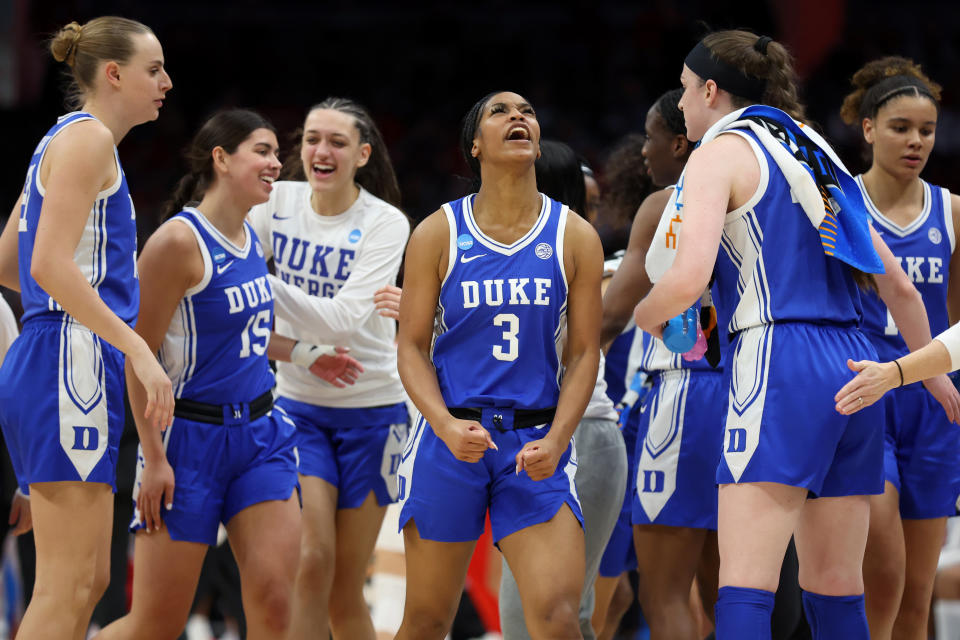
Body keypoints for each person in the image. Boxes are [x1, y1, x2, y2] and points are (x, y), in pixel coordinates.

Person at [632, 30, 956, 639]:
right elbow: (902, 289)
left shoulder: (720, 151)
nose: (680, 106)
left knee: (745, 588)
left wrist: (646, 316)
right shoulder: (817, 150)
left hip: (778, 359)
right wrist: (933, 376)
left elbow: (686, 279)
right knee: (837, 590)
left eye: (682, 90)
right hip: (858, 369)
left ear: (709, 88)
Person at [95, 109, 359, 640]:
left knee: (276, 604)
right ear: (220, 157)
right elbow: (136, 355)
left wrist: (306, 354)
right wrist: (152, 457)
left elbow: (245, 334)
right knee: (156, 625)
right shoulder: (176, 243)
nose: (275, 163)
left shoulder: (250, 238)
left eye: (275, 154)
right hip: (187, 443)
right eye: (262, 151)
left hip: (261, 437)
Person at [394, 91, 603, 640]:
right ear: (475, 146)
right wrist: (442, 423)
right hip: (451, 436)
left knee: (559, 619)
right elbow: (411, 346)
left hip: (535, 442)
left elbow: (583, 352)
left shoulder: (575, 235)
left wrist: (559, 439)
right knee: (425, 620)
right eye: (501, 111)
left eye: (528, 111)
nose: (519, 117)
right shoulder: (437, 232)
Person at [0, 17, 175, 639]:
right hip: (65, 359)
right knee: (68, 585)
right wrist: (132, 342)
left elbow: (8, 261)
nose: (167, 82)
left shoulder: (62, 141)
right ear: (114, 73)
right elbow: (44, 265)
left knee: (89, 582)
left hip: (57, 353)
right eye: (154, 69)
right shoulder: (89, 140)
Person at [246, 97, 411, 640]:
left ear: (363, 154)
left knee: (344, 588)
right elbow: (231, 304)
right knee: (310, 559)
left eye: (338, 142)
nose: (322, 150)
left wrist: (260, 283)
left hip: (374, 409)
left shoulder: (386, 222)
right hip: (298, 411)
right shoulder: (275, 203)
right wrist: (295, 350)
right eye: (312, 138)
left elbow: (341, 321)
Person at [838, 56, 960, 640]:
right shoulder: (841, 204)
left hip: (935, 403)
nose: (916, 141)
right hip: (863, 391)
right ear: (867, 129)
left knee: (918, 593)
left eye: (927, 130)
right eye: (900, 128)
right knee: (881, 573)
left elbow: (956, 322)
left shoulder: (953, 210)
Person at [599, 88, 726, 640]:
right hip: (757, 392)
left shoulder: (666, 204)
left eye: (651, 137)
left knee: (664, 591)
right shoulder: (762, 199)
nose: (643, 151)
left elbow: (607, 320)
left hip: (688, 393)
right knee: (731, 592)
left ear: (680, 143)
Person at [497, 138, 628, 640]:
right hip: (517, 441)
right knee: (555, 615)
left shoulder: (595, 268)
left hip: (583, 435)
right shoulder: (489, 259)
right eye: (584, 203)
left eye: (592, 206)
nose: (590, 216)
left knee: (546, 615)